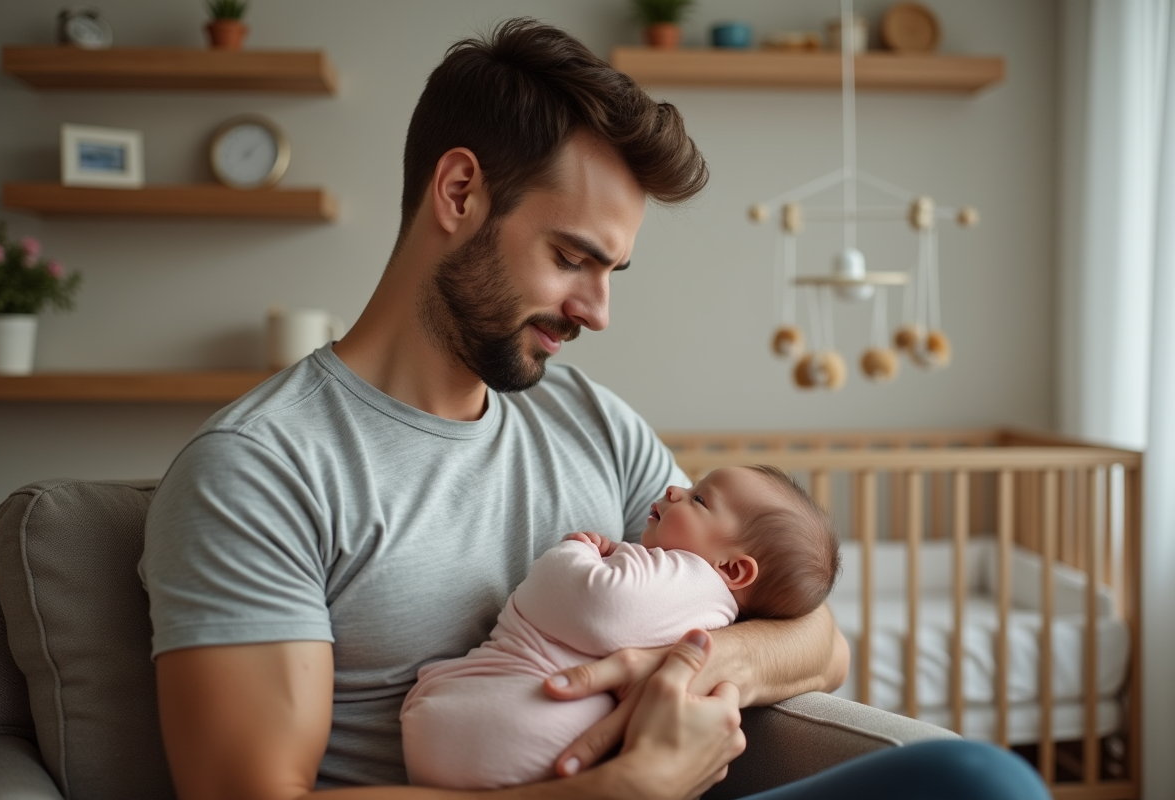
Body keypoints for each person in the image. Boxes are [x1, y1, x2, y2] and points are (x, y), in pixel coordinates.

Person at [141, 17, 1051, 800]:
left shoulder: (588, 420)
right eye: (572, 258)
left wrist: (692, 662)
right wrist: (615, 791)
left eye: (612, 271)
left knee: (982, 782)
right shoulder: (262, 468)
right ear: (459, 194)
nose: (598, 311)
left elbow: (812, 635)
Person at [401, 464, 841, 790]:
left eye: (699, 500)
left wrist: (579, 551)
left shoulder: (695, 578)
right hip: (505, 736)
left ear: (732, 569)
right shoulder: (702, 598)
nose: (675, 489)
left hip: (487, 727)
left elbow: (594, 602)